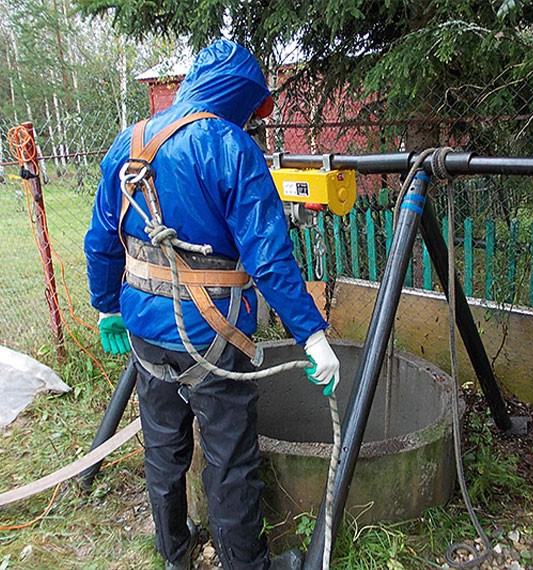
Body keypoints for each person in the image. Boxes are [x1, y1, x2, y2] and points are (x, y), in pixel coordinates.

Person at [84, 39, 340, 570]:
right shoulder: (230, 147)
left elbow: (100, 239)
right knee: (229, 462)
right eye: (251, 107)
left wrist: (108, 304)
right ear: (238, 96)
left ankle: (174, 552)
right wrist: (313, 336)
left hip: (146, 335)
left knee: (162, 449)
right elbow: (269, 259)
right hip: (212, 337)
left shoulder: (127, 144)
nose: (251, 118)